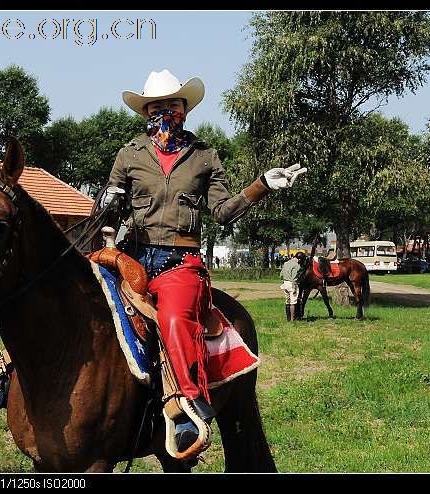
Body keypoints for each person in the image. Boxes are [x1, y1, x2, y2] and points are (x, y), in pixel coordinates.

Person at [98, 69, 307, 453]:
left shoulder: (204, 156)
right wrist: (107, 202)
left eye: (172, 105)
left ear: (185, 109)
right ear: (146, 111)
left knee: (175, 320)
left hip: (179, 262)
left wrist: (261, 184)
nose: (165, 112)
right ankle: (8, 374)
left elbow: (223, 212)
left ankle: (188, 410)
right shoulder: (129, 155)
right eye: (157, 106)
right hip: (131, 257)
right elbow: (108, 207)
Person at [280, 252, 303, 321]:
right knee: (293, 302)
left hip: (285, 283)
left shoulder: (286, 263)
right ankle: (292, 320)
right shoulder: (296, 265)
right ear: (299, 259)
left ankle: (288, 318)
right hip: (291, 284)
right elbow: (294, 278)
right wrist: (294, 288)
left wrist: (283, 282)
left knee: (287, 301)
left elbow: (281, 275)